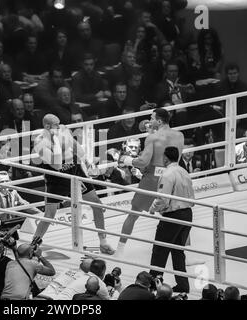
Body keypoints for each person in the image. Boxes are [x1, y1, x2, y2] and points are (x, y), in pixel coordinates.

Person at [32, 114, 115, 255]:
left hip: (75, 172)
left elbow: (77, 149)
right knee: (49, 214)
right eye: (56, 125)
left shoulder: (64, 130)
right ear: (47, 127)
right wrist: (56, 140)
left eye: (59, 123)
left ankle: (103, 242)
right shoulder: (40, 142)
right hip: (56, 178)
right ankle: (33, 245)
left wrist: (87, 162)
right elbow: (57, 165)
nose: (60, 126)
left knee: (97, 204)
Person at [115, 108, 184, 256]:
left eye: (152, 118)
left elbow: (143, 161)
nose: (149, 121)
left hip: (153, 178)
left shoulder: (153, 138)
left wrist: (126, 159)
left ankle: (119, 252)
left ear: (159, 121)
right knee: (176, 215)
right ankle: (182, 254)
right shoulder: (180, 135)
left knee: (133, 215)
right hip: (173, 175)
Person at [148, 146, 195, 293]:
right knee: (177, 251)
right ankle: (183, 285)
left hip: (173, 216)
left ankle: (153, 283)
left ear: (166, 158)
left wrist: (153, 209)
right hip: (187, 213)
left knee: (159, 251)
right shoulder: (184, 171)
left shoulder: (168, 174)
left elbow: (163, 198)